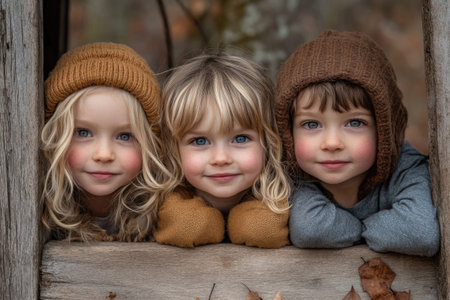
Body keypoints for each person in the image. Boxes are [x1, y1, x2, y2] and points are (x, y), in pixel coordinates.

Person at [275, 30, 440, 257]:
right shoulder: (293, 173)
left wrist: (360, 229)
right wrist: (371, 229)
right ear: (288, 131)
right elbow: (310, 228)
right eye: (312, 125)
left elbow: (420, 232)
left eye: (354, 123)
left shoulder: (406, 167)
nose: (332, 143)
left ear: (384, 130)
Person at [154, 53, 291, 248]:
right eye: (200, 141)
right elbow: (186, 228)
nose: (221, 158)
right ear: (173, 148)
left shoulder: (286, 195)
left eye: (240, 138)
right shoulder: (162, 200)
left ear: (269, 142)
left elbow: (264, 230)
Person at [41, 42, 174, 242]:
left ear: (149, 144)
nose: (104, 154)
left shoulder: (164, 208)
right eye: (83, 133)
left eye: (124, 136)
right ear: (56, 137)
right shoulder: (38, 207)